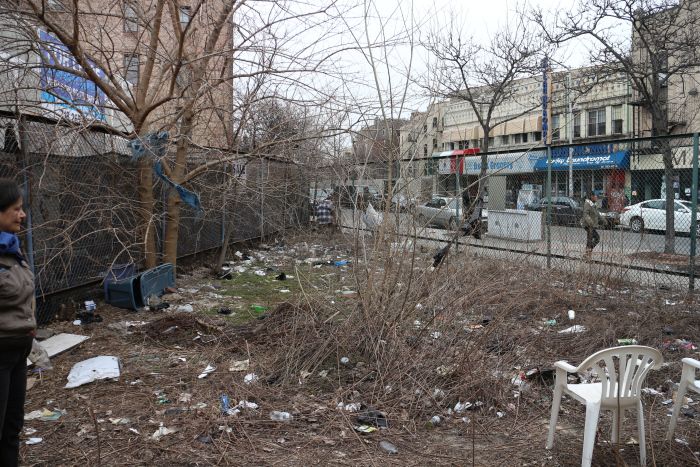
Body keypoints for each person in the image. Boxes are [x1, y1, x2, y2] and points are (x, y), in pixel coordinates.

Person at [0, 178, 35, 466]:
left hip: (17, 353)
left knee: (12, 429)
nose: (22, 215)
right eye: (16, 209)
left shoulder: (11, 249)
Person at [581, 191, 604, 260]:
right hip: (588, 225)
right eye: (596, 196)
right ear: (592, 196)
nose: (597, 197)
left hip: (591, 225)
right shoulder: (587, 204)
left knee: (590, 240)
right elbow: (585, 214)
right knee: (597, 238)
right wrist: (590, 222)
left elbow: (597, 213)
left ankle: (587, 255)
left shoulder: (593, 204)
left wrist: (603, 220)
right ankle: (587, 253)